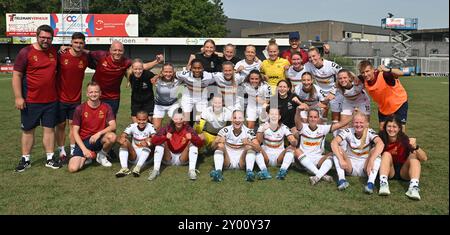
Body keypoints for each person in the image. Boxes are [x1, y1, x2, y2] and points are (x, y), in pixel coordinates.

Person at [13, 25, 62, 172]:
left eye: (49, 38)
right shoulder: (26, 52)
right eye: (43, 37)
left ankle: (50, 158)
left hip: (51, 100)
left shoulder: (54, 51)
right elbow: (17, 75)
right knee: (28, 130)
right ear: (37, 36)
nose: (46, 40)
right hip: (31, 100)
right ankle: (25, 159)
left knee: (49, 129)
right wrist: (18, 97)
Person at [88, 40, 163, 116]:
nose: (117, 53)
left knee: (110, 121)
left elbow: (142, 66)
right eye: (115, 50)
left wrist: (156, 61)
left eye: (120, 50)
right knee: (94, 119)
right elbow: (86, 53)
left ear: (123, 51)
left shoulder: (126, 62)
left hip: (113, 97)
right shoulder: (101, 55)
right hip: (96, 94)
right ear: (110, 50)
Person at [55, 32, 89, 164]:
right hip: (60, 97)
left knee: (74, 126)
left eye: (81, 43)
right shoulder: (62, 55)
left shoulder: (85, 58)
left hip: (76, 99)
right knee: (61, 125)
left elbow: (90, 53)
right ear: (71, 42)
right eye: (76, 42)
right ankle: (62, 151)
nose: (78, 45)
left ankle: (74, 150)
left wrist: (85, 50)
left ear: (84, 44)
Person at [68, 82, 117, 173]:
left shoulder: (106, 107)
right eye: (91, 92)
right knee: (73, 168)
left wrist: (98, 133)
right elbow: (75, 132)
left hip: (99, 139)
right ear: (87, 94)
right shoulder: (80, 108)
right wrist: (84, 149)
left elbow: (113, 125)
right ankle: (88, 156)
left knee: (112, 136)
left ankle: (101, 155)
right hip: (84, 142)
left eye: (96, 92)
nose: (94, 94)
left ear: (100, 93)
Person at [331, 112, 384, 194]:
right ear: (352, 123)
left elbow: (381, 144)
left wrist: (371, 160)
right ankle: (342, 180)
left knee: (375, 151)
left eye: (361, 122)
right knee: (338, 149)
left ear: (366, 124)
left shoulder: (370, 132)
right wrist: (341, 159)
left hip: (365, 167)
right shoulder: (348, 131)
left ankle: (370, 184)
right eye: (356, 122)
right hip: (350, 165)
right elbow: (334, 142)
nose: (358, 125)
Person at [294, 109, 351, 185]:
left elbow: (340, 124)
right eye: (310, 117)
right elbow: (297, 120)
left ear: (318, 118)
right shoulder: (302, 127)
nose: (313, 119)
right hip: (304, 159)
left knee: (333, 154)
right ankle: (321, 175)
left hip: (318, 159)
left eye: (315, 117)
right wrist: (298, 111)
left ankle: (317, 177)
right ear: (307, 118)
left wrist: (353, 115)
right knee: (297, 151)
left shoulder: (323, 128)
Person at [378, 116, 428, 200]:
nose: (391, 129)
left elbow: (424, 158)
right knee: (386, 154)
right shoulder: (380, 138)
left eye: (394, 127)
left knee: (413, 155)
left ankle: (413, 187)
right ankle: (383, 184)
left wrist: (416, 147)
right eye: (389, 126)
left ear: (399, 128)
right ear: (385, 127)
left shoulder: (404, 139)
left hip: (403, 171)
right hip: (389, 170)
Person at [148, 109, 204, 181]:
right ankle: (156, 170)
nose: (178, 121)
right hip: (169, 157)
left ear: (184, 119)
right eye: (176, 119)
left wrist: (192, 138)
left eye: (181, 119)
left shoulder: (188, 128)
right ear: (172, 119)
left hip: (182, 157)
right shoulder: (167, 128)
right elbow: (154, 140)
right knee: (160, 143)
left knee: (192, 143)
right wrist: (165, 137)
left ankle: (192, 170)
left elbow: (200, 144)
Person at [209, 110, 261, 182]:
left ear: (243, 119)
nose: (237, 120)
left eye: (240, 118)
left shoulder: (249, 131)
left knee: (249, 147)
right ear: (231, 119)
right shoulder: (225, 130)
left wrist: (249, 142)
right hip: (228, 160)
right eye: (235, 118)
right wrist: (217, 141)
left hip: (241, 161)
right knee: (220, 145)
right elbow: (212, 148)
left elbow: (259, 149)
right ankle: (218, 172)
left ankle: (249, 172)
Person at [357, 60, 407, 131]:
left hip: (399, 103)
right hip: (384, 107)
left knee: (400, 129)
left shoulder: (384, 75)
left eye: (367, 71)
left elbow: (401, 73)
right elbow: (351, 77)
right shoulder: (363, 79)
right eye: (363, 72)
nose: (365, 74)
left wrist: (387, 69)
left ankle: (404, 142)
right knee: (382, 130)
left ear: (373, 70)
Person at [255, 107, 298, 180]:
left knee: (291, 149)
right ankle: (264, 171)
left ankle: (282, 171)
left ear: (279, 117)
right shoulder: (263, 126)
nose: (274, 116)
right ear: (268, 115)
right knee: (256, 149)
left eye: (276, 114)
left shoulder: (284, 127)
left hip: (279, 157)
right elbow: (258, 142)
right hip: (266, 156)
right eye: (271, 114)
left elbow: (293, 142)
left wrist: (293, 141)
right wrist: (262, 130)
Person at [304, 47, 342, 123]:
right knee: (321, 117)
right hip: (321, 94)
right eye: (310, 57)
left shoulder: (331, 65)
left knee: (335, 117)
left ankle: (337, 134)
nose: (312, 59)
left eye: (314, 56)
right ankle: (321, 133)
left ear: (319, 55)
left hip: (335, 93)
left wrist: (333, 91)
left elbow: (343, 74)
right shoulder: (308, 65)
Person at [116, 111, 156, 177]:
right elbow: (123, 135)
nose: (141, 122)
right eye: (139, 120)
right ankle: (124, 168)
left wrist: (148, 142)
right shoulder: (132, 126)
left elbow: (155, 138)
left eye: (144, 120)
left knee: (149, 141)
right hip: (134, 156)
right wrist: (122, 138)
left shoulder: (150, 126)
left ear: (147, 119)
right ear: (136, 119)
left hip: (146, 158)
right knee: (124, 142)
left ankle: (137, 168)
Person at [176, 59, 216, 124]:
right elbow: (173, 74)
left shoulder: (209, 76)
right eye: (194, 68)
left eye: (199, 68)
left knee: (200, 121)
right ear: (191, 68)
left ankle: (197, 133)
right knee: (185, 120)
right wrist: (157, 77)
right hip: (188, 96)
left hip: (201, 98)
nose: (197, 70)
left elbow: (224, 75)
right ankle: (186, 133)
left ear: (203, 68)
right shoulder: (185, 74)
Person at [151, 63, 181, 131]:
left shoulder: (178, 80)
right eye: (166, 72)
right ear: (162, 72)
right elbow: (152, 80)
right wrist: (158, 75)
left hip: (173, 104)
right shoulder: (157, 80)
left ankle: (174, 139)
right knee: (156, 128)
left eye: (170, 72)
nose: (168, 74)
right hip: (159, 105)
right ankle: (161, 139)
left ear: (173, 72)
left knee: (178, 123)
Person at [126, 58, 155, 123]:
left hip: (148, 102)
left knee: (148, 123)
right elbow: (127, 72)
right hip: (135, 102)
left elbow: (156, 77)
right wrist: (128, 81)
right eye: (135, 69)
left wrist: (155, 79)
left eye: (140, 69)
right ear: (132, 69)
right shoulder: (130, 74)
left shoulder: (148, 74)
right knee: (136, 124)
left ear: (143, 68)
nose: (138, 71)